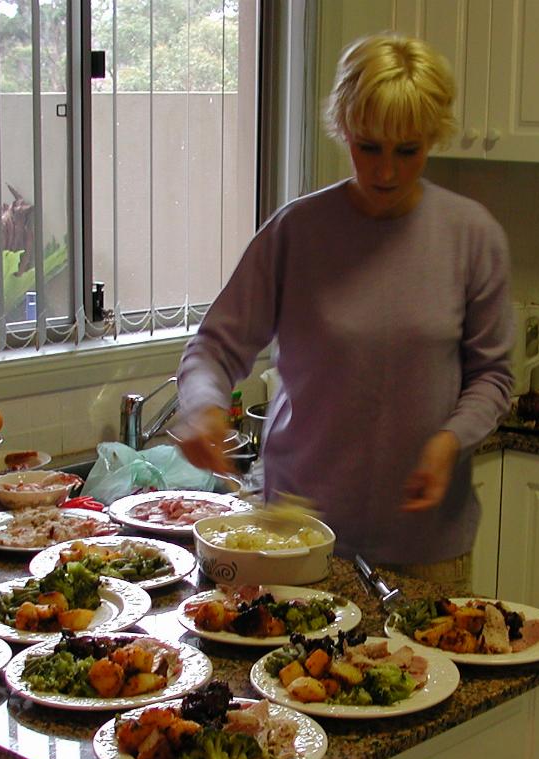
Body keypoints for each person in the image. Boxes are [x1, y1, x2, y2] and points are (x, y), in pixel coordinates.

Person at [174, 33, 513, 588]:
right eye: (368, 146)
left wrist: (450, 439)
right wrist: (204, 405)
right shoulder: (298, 232)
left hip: (426, 548)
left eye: (408, 151)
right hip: (296, 536)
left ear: (433, 138)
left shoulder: (472, 237)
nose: (385, 172)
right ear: (343, 130)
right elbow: (214, 347)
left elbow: (493, 375)